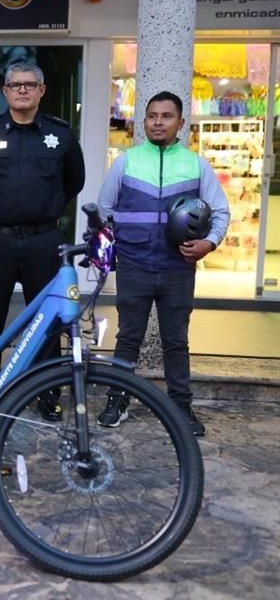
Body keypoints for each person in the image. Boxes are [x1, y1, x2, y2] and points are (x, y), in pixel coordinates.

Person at [0, 61, 85, 420]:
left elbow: (74, 181)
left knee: (49, 322)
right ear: (5, 91)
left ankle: (47, 395)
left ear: (42, 90)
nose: (23, 90)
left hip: (43, 243)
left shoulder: (60, 135)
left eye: (30, 84)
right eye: (15, 85)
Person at [97, 91, 229, 437]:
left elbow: (221, 213)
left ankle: (181, 407)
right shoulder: (126, 162)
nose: (158, 121)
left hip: (177, 268)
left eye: (166, 116)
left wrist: (208, 243)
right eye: (152, 115)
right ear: (144, 122)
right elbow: (105, 210)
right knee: (128, 338)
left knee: (176, 340)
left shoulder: (196, 165)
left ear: (181, 123)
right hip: (135, 265)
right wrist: (114, 251)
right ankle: (117, 399)